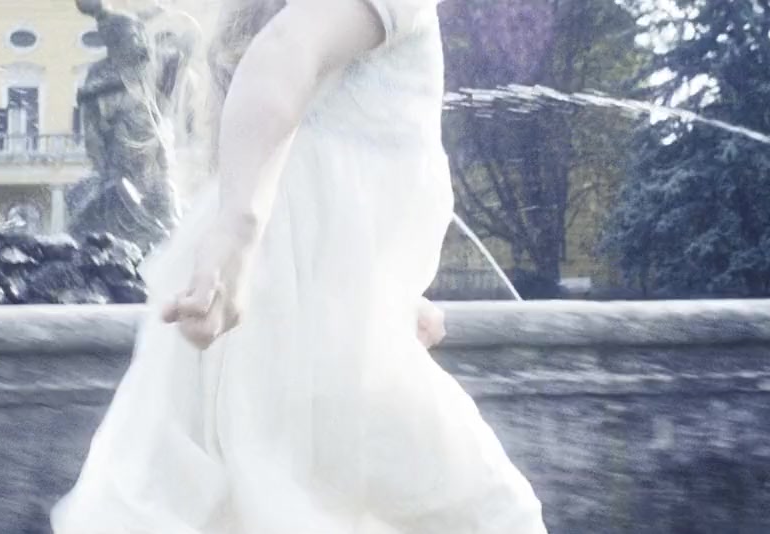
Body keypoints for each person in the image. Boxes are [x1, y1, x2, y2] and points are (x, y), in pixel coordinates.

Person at [51, 0, 547, 532]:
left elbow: (321, 152)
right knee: (485, 513)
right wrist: (237, 236)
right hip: (288, 313)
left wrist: (387, 292)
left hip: (290, 307)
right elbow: (284, 56)